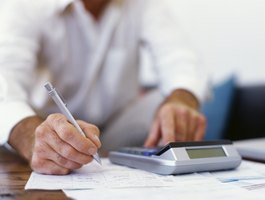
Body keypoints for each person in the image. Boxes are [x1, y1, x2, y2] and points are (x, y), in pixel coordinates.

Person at [0, 0, 209, 175]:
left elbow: (180, 58)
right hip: (50, 131)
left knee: (164, 104)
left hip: (118, 131)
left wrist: (182, 99)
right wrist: (30, 136)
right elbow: (5, 80)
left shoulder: (144, 5)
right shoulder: (25, 5)